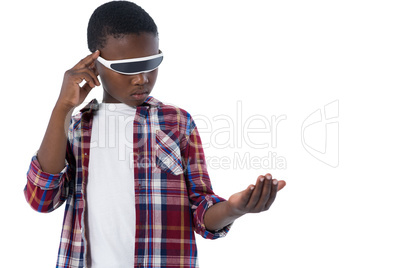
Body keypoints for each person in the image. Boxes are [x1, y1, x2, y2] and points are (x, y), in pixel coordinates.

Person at [24, 1, 286, 267]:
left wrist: (233, 209)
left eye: (151, 62)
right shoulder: (76, 128)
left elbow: (201, 210)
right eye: (127, 67)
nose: (142, 78)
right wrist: (63, 108)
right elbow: (41, 199)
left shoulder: (177, 123)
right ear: (96, 63)